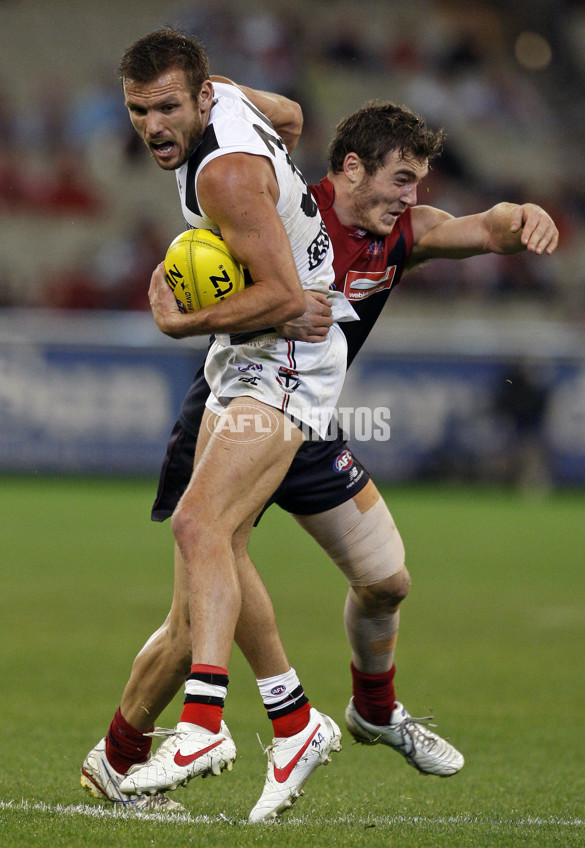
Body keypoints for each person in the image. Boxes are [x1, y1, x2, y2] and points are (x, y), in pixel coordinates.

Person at [81, 48, 559, 820]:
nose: (412, 198)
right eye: (401, 179)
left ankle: (371, 709)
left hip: (302, 404)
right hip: (253, 390)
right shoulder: (274, 198)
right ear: (349, 170)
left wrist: (525, 217)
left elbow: (484, 227)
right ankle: (133, 752)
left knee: (383, 580)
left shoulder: (395, 230)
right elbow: (277, 275)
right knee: (200, 584)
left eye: (420, 184)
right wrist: (250, 308)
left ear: (201, 98)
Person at [82, 27, 363, 820]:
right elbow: (295, 116)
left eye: (170, 106)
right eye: (139, 110)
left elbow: (280, 298)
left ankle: (204, 723)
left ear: (203, 97)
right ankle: (292, 718)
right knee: (218, 543)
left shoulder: (226, 176)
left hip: (286, 358)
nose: (154, 126)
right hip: (249, 356)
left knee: (198, 526)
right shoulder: (233, 101)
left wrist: (180, 323)